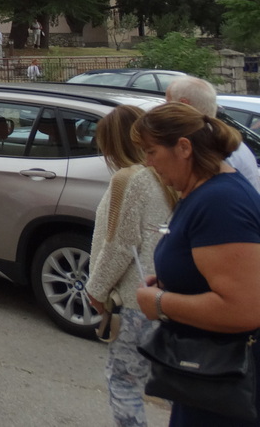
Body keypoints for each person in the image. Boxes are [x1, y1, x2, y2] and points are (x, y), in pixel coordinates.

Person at [132, 102, 260, 427]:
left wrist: (160, 302)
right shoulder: (203, 191)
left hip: (225, 383)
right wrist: (174, 282)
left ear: (184, 147)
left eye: (151, 152)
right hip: (206, 375)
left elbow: (243, 309)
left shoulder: (220, 201)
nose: (147, 163)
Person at [85, 105, 177, 427]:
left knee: (123, 381)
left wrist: (95, 289)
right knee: (171, 384)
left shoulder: (129, 179)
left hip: (135, 299)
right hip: (166, 295)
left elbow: (120, 244)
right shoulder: (163, 178)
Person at [166, 75, 260, 193]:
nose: (163, 108)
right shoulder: (226, 141)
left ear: (184, 104)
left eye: (167, 102)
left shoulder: (212, 147)